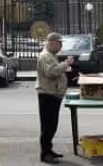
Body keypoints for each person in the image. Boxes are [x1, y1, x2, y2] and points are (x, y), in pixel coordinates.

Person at [36, 33, 73, 164]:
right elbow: (51, 72)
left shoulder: (51, 55)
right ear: (52, 43)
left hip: (53, 94)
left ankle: (48, 149)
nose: (61, 46)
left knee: (52, 125)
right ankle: (45, 153)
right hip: (47, 94)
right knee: (48, 126)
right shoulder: (46, 56)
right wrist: (66, 63)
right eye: (59, 43)